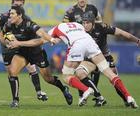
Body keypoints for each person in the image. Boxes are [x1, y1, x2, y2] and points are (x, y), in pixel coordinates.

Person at [11, 21, 139, 109]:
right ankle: (129, 97)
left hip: (77, 45)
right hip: (90, 43)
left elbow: (41, 40)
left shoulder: (56, 28)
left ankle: (86, 90)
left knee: (66, 76)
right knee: (109, 73)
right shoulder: (78, 25)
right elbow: (71, 35)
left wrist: (23, 43)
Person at [2, 5, 73, 107]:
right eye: (10, 14)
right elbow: (4, 36)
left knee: (48, 79)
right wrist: (8, 42)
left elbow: (40, 37)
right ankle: (15, 101)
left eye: (12, 14)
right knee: (12, 72)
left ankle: (64, 89)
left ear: (20, 15)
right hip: (22, 53)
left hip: (36, 53)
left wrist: (51, 39)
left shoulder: (28, 24)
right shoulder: (8, 25)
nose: (10, 16)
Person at [0, 0, 48, 107]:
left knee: (31, 67)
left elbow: (33, 33)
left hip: (21, 46)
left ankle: (39, 92)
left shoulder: (26, 18)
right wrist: (3, 39)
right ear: (11, 4)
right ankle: (15, 98)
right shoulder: (3, 16)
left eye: (20, 5)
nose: (18, 6)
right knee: (10, 72)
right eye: (16, 5)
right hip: (7, 47)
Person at [80, 11, 140, 107]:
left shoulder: (102, 27)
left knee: (114, 81)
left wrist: (137, 40)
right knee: (81, 73)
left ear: (93, 22)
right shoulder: (81, 31)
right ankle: (98, 98)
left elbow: (121, 33)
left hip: (106, 57)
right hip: (92, 58)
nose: (85, 25)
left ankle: (126, 99)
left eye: (87, 23)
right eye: (83, 22)